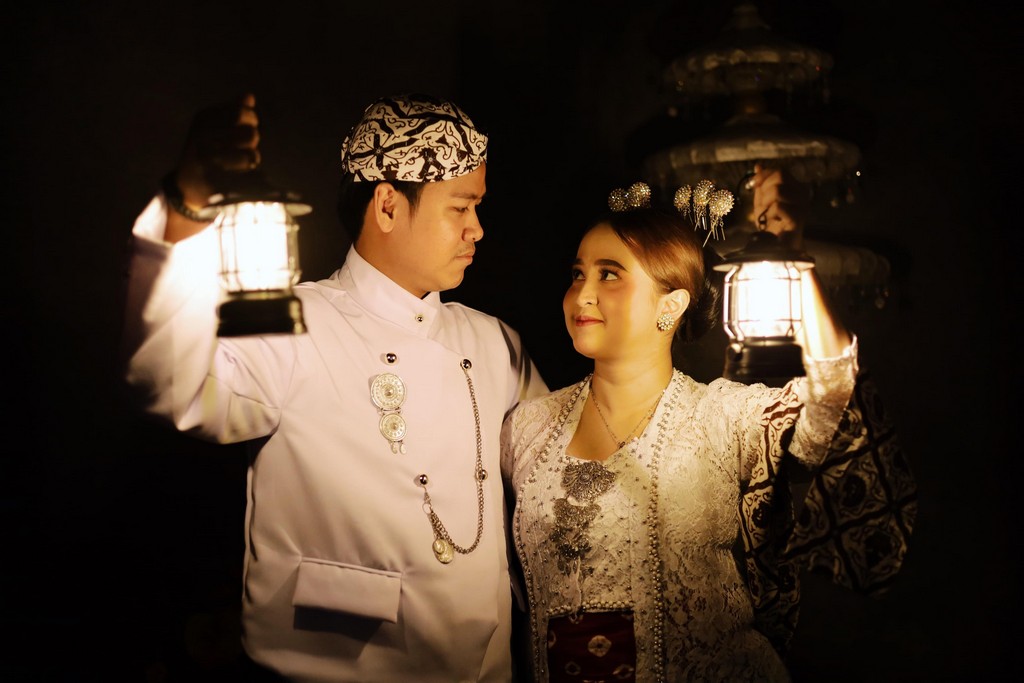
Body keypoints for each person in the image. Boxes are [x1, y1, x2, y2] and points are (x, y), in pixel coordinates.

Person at [120, 92, 547, 682]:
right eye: (461, 207)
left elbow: (557, 474)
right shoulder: (294, 321)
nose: (477, 228)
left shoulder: (494, 341)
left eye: (478, 207)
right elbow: (172, 389)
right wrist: (186, 208)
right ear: (388, 206)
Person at [499, 175, 916, 682]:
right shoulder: (527, 428)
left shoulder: (721, 417)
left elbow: (835, 397)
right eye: (577, 273)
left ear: (670, 305)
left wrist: (794, 259)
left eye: (609, 275)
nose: (582, 294)